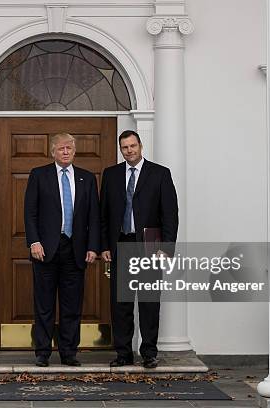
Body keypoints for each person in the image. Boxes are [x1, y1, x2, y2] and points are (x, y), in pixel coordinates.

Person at [100, 130, 179, 368]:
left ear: (140, 146)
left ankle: (148, 353)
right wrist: (104, 246)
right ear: (120, 149)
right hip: (121, 244)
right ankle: (123, 353)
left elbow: (170, 215)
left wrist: (166, 248)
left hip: (151, 246)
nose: (129, 151)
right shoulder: (111, 175)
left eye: (133, 146)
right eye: (125, 147)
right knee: (121, 303)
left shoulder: (160, 174)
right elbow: (103, 215)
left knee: (149, 302)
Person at [24, 133, 100, 367]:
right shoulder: (39, 175)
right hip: (45, 250)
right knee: (44, 304)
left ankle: (68, 352)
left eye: (69, 148)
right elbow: (30, 212)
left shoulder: (87, 179)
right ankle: (43, 352)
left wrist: (93, 246)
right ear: (53, 151)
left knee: (71, 305)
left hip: (75, 250)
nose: (65, 152)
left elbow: (94, 217)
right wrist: (34, 241)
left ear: (74, 151)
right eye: (61, 148)